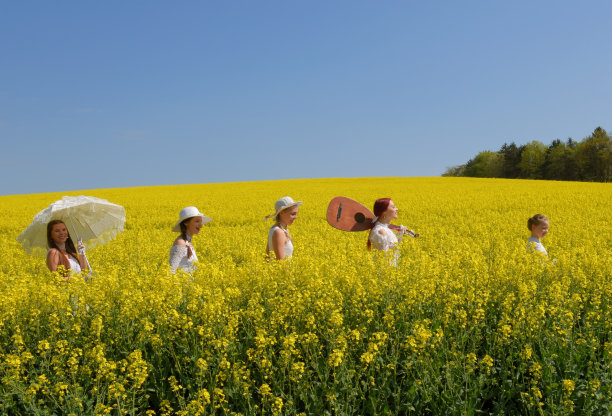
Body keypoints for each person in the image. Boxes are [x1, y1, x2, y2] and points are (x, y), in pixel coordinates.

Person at [169, 206, 212, 272]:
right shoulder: (180, 243)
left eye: (201, 221)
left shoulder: (188, 242)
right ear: (186, 223)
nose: (201, 225)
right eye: (197, 221)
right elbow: (171, 270)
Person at [367, 198, 409, 265]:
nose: (396, 209)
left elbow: (391, 249)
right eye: (393, 207)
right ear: (384, 212)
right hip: (385, 272)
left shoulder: (384, 229)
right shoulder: (381, 231)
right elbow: (385, 258)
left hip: (390, 272)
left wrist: (401, 233)